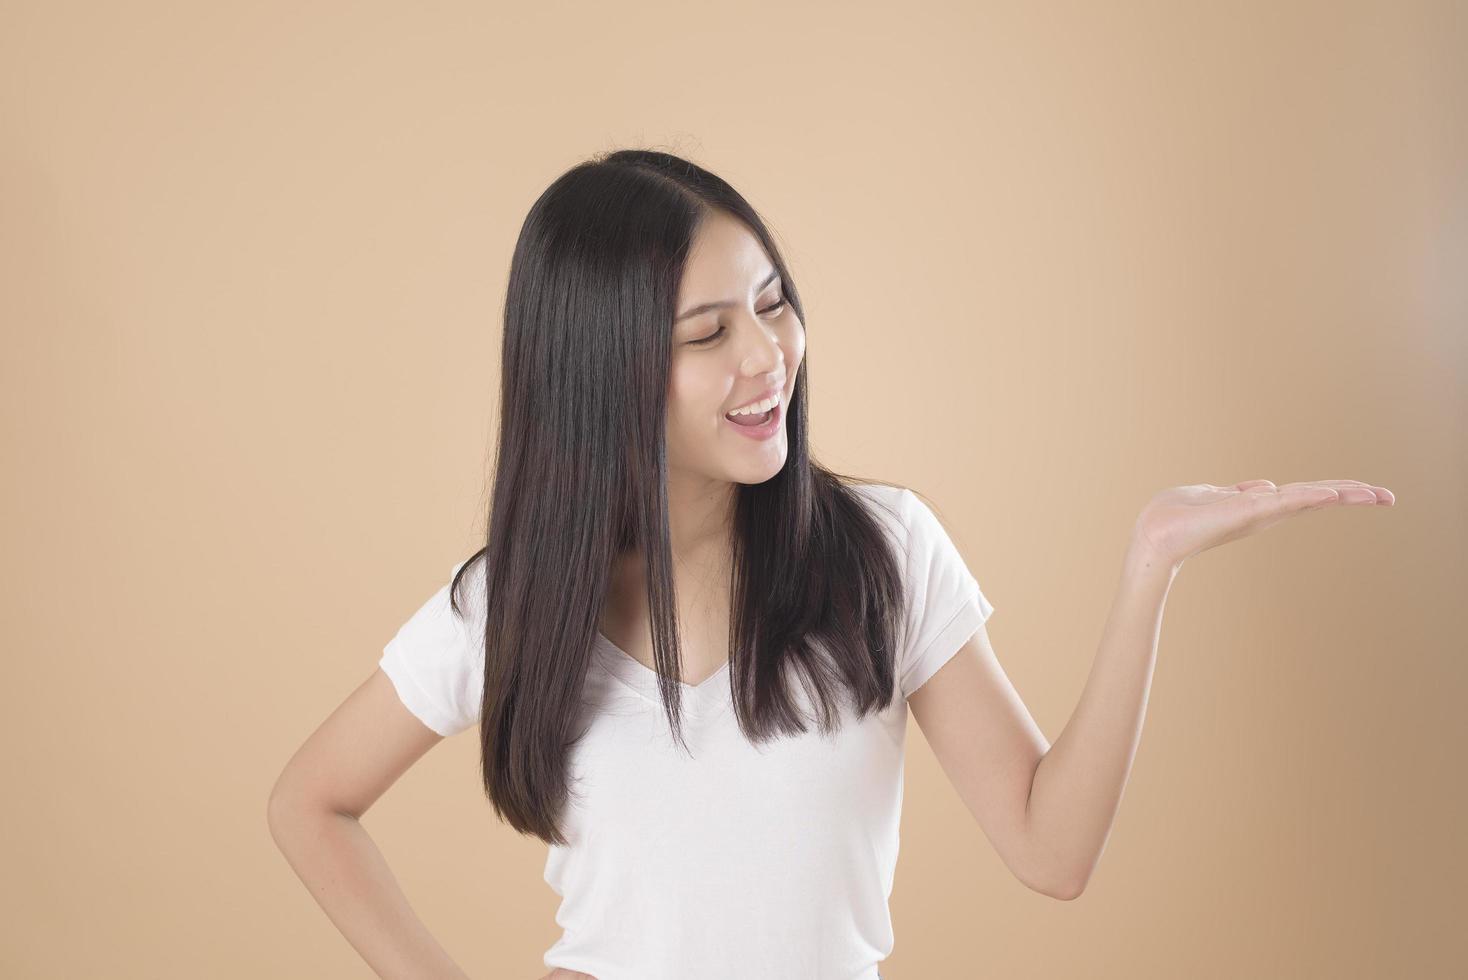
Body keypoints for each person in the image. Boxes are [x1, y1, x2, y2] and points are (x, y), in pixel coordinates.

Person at [266, 149, 1395, 980]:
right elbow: (309, 802)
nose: (767, 359)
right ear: (600, 373)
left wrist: (1152, 564)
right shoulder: (513, 603)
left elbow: (1052, 850)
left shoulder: (881, 554)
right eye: (707, 334)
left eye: (771, 305)